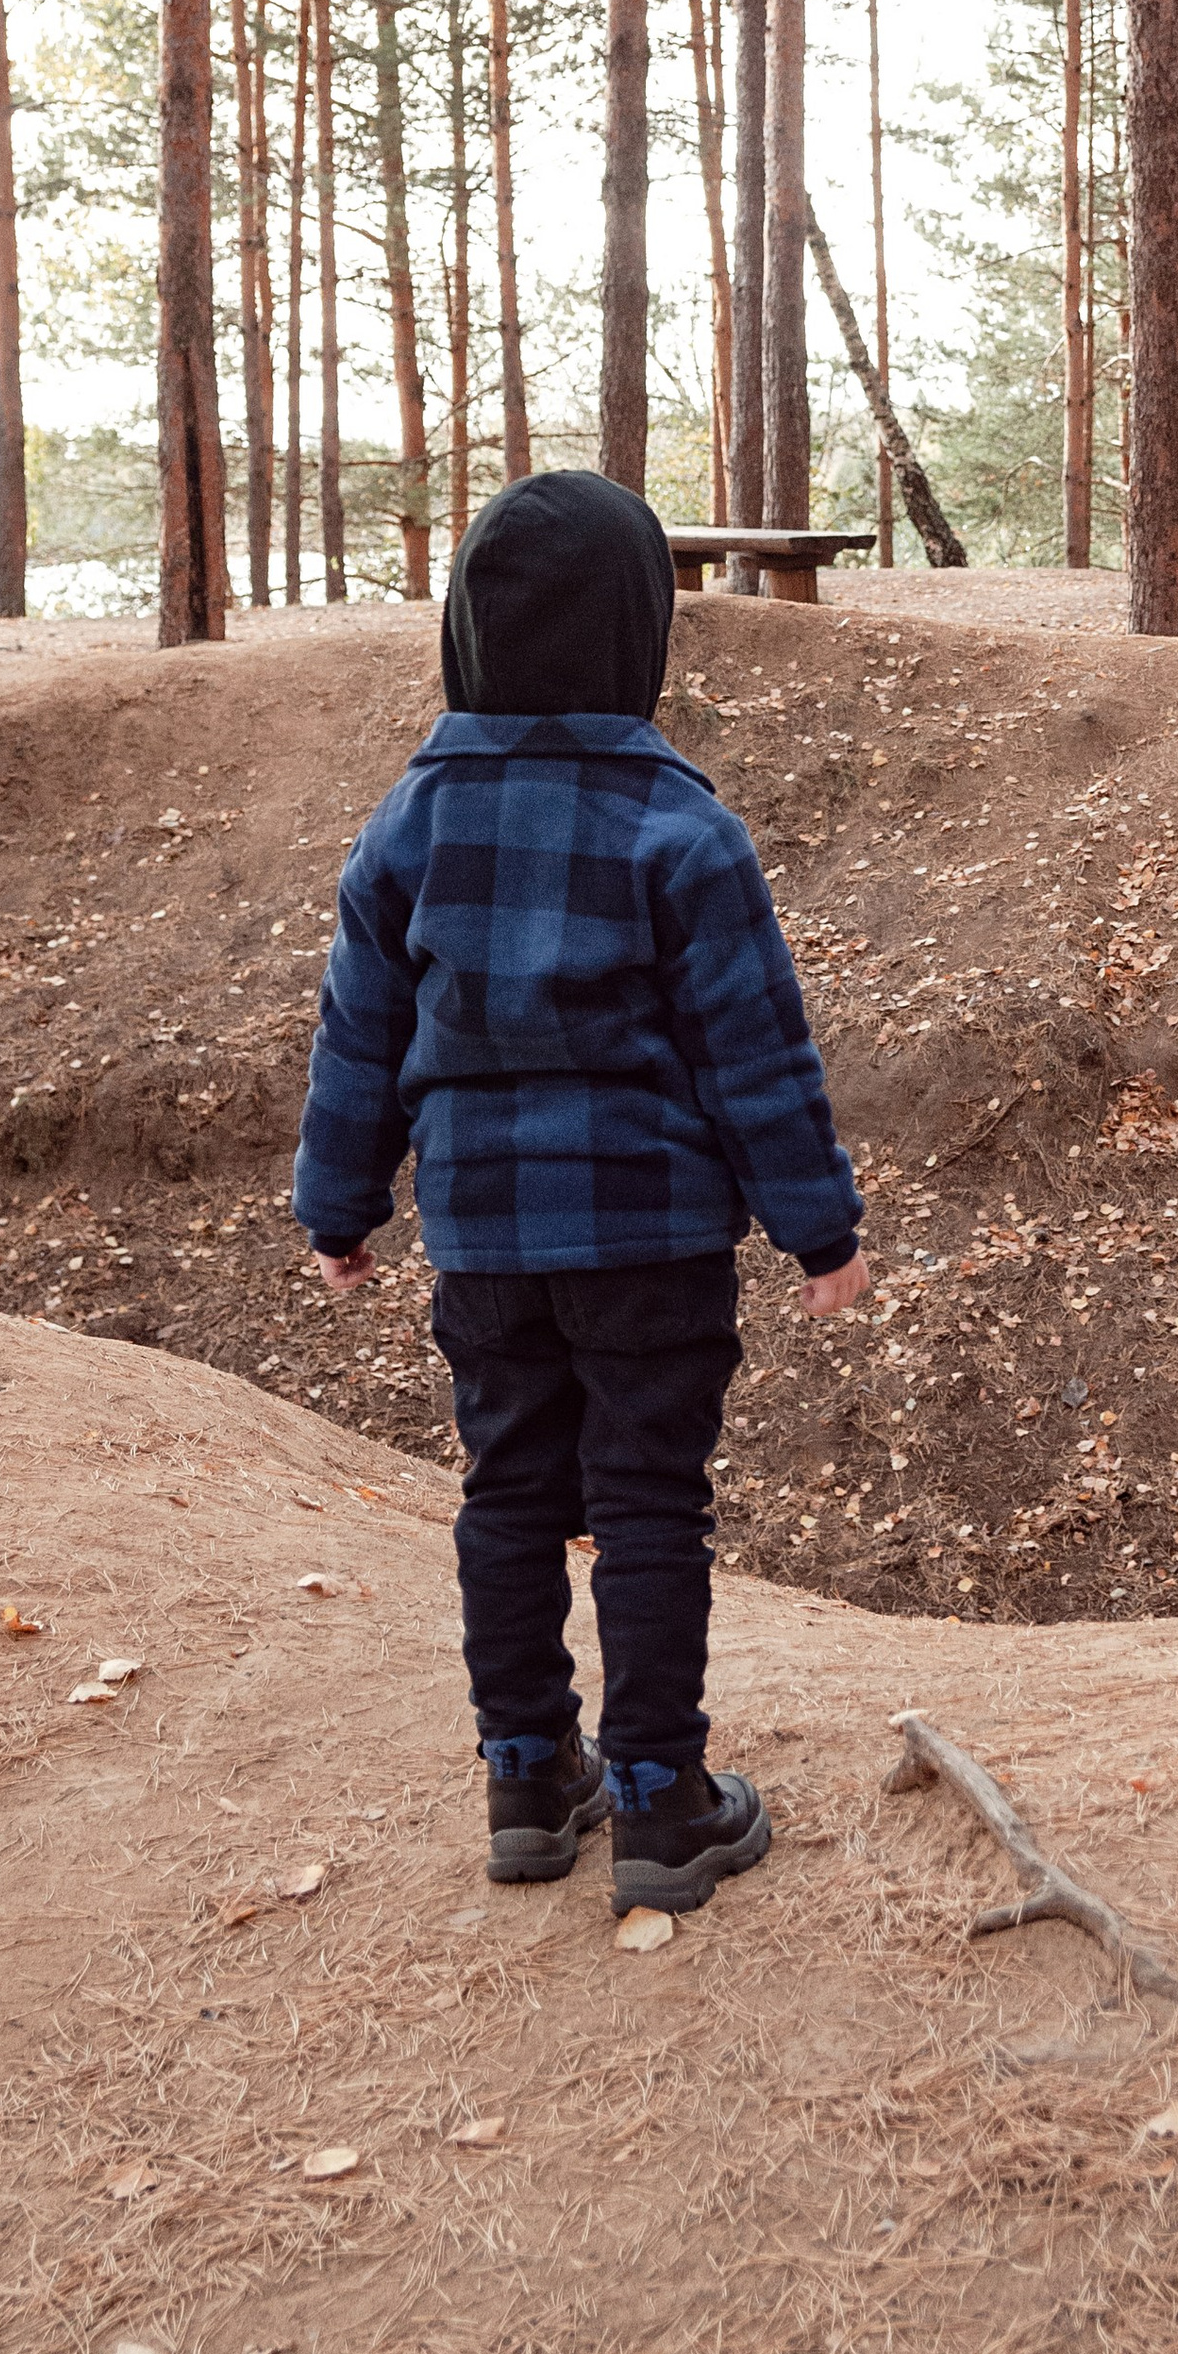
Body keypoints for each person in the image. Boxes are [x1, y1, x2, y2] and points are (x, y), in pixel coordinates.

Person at [290, 469, 868, 1919]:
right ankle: (664, 1801)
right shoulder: (680, 830)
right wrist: (820, 1227)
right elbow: (756, 1049)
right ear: (637, 635)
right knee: (650, 1504)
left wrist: (338, 1207)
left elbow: (361, 1036)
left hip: (482, 1243)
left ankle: (525, 1773)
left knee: (510, 1495)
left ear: (466, 633)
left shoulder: (406, 830)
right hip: (653, 1239)